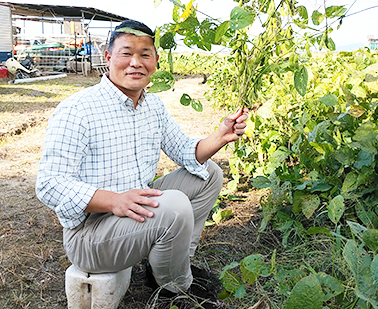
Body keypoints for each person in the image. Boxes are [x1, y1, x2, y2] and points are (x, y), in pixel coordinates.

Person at [36, 19, 248, 306]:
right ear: (108, 57)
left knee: (208, 174)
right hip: (90, 236)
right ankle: (176, 290)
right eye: (126, 53)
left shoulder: (153, 106)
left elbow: (185, 150)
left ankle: (173, 262)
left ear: (156, 62)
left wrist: (220, 137)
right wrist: (113, 201)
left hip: (132, 211)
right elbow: (49, 185)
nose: (136, 63)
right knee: (174, 206)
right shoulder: (78, 109)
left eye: (145, 54)